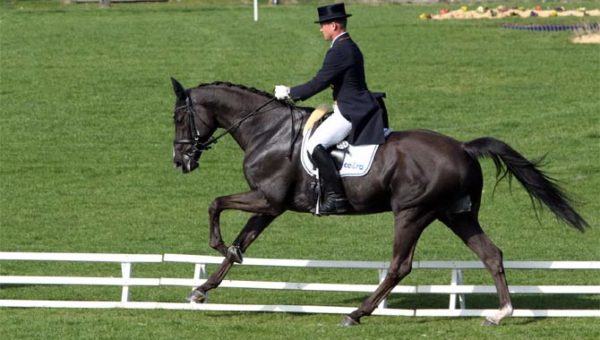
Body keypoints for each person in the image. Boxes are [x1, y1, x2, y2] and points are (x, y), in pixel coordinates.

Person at [274, 3, 385, 214]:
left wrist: (289, 93)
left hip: (351, 111)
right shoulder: (345, 45)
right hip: (348, 106)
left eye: (323, 25)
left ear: (334, 25)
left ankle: (336, 198)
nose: (320, 29)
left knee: (315, 144)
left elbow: (319, 82)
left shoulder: (340, 50)